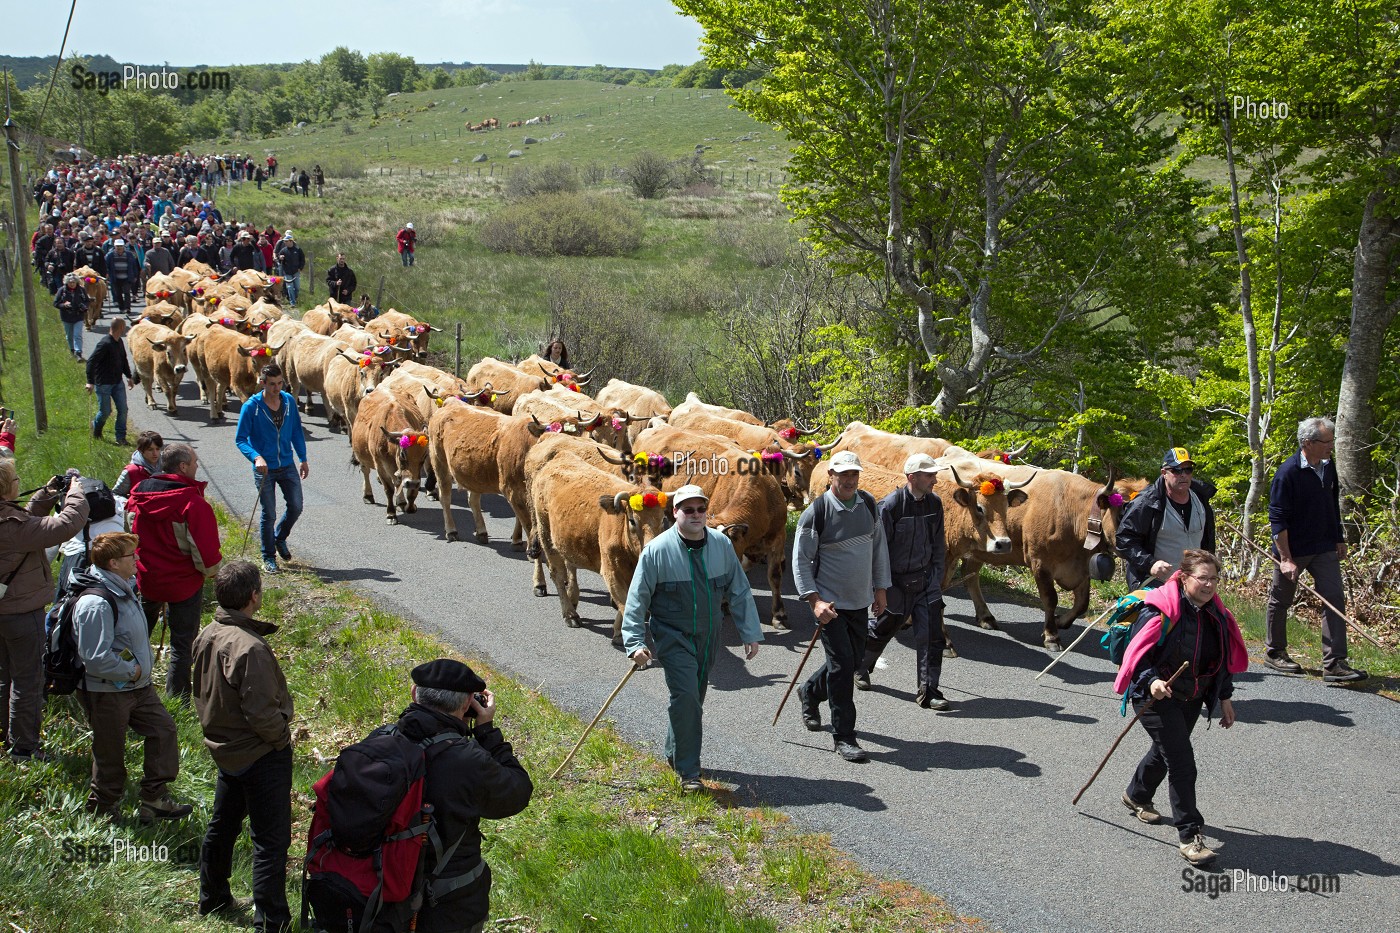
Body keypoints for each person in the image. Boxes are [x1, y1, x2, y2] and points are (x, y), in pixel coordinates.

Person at [622, 484, 763, 791]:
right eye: (688, 510)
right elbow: (637, 599)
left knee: (692, 699)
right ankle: (689, 772)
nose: (696, 515)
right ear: (675, 513)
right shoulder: (657, 551)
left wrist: (749, 632)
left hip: (709, 636)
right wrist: (634, 642)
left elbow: (738, 589)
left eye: (701, 509)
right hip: (673, 635)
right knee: (686, 697)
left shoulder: (721, 546)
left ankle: (675, 753)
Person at [1115, 550, 1247, 867]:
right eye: (1203, 578)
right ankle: (1190, 837)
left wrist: (1225, 698)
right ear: (1185, 577)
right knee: (1182, 762)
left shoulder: (1217, 614)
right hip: (1153, 696)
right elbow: (1138, 655)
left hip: (1190, 696)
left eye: (1214, 578)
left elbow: (1221, 661)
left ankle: (1137, 794)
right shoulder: (1158, 609)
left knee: (1166, 751)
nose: (1210, 584)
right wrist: (1152, 682)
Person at [387, 659, 533, 932]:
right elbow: (517, 793)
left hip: (378, 890)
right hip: (446, 905)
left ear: (413, 693)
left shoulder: (382, 740)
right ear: (468, 704)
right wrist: (486, 731)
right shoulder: (465, 761)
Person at [192, 560, 294, 931]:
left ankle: (213, 897)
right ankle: (272, 921)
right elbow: (261, 712)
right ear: (254, 596)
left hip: (224, 747)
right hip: (259, 752)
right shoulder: (249, 647)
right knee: (270, 840)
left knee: (223, 825)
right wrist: (281, 741)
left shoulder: (207, 632)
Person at [71, 531, 194, 824]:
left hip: (138, 687)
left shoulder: (123, 587)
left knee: (163, 731)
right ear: (113, 562)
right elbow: (95, 658)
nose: (137, 558)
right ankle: (103, 809)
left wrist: (138, 674)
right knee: (110, 752)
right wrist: (132, 671)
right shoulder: (96, 604)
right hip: (107, 691)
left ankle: (154, 798)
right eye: (131, 555)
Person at [793, 450, 890, 762]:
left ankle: (809, 691)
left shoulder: (869, 504)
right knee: (842, 669)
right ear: (830, 476)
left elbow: (878, 550)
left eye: (854, 474)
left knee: (851, 660)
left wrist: (880, 588)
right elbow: (801, 561)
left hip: (860, 600)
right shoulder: (817, 513)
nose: (849, 480)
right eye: (843, 474)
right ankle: (844, 737)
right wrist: (814, 600)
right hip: (830, 605)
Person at [1263, 417, 1366, 682]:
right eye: (1327, 441)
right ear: (1308, 443)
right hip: (1292, 549)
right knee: (1281, 599)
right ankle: (1275, 652)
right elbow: (1277, 519)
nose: (1331, 446)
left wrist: (1338, 538)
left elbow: (1332, 505)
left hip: (1323, 547)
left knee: (1333, 599)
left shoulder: (1328, 467)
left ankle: (1334, 664)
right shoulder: (1287, 474)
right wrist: (1285, 559)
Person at [0, 466, 89, 762]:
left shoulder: (9, 522)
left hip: (4, 610)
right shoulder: (11, 529)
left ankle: (5, 736)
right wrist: (76, 490)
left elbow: (23, 518)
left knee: (4, 675)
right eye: (16, 480)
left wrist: (49, 492)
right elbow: (66, 524)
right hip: (21, 613)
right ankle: (25, 748)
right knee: (28, 680)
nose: (18, 482)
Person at [126, 443, 223, 699]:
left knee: (137, 637)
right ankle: (177, 698)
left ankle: (130, 688)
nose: (197, 466)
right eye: (194, 462)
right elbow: (207, 555)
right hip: (183, 585)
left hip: (147, 579)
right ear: (182, 467)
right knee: (182, 644)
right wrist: (211, 573)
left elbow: (130, 535)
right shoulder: (192, 504)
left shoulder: (138, 496)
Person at [857, 453, 949, 709]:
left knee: (932, 637)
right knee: (881, 629)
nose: (935, 479)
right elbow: (877, 551)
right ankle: (860, 667)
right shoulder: (890, 505)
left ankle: (929, 692)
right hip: (895, 584)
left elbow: (938, 545)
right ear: (912, 477)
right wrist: (880, 588)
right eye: (930, 475)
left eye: (934, 474)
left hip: (925, 582)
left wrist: (937, 579)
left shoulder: (935, 504)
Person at [234, 364, 309, 574]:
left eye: (279, 383)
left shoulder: (288, 401)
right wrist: (256, 457)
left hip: (287, 464)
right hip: (264, 468)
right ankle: (268, 557)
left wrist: (302, 458)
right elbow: (240, 440)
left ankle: (280, 538)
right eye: (272, 384)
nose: (277, 388)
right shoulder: (251, 407)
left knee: (296, 506)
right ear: (262, 383)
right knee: (269, 514)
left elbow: (295, 430)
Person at [1115, 448, 1218, 591]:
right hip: (1154, 582)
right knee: (1162, 614)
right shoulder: (1147, 502)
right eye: (1176, 470)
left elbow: (1207, 542)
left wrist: (1210, 572)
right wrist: (1150, 564)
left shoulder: (1201, 499)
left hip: (1193, 584)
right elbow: (1124, 539)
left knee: (1217, 614)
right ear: (1164, 473)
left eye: (1188, 470)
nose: (1183, 475)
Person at [85, 316, 136, 445]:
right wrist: (90, 382)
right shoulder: (105, 343)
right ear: (121, 328)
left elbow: (123, 360)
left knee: (123, 409)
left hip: (117, 382)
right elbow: (91, 361)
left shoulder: (119, 342)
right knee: (106, 411)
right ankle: (96, 428)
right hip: (103, 384)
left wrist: (129, 377)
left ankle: (120, 437)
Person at [55, 273, 90, 360]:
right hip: (66, 317)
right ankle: (72, 350)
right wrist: (64, 305)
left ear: (77, 282)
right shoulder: (61, 290)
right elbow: (56, 303)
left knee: (77, 335)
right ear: (67, 282)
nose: (72, 284)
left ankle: (78, 352)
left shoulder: (81, 290)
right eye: (70, 282)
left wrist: (84, 306)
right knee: (69, 336)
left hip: (78, 316)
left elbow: (87, 301)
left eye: (74, 282)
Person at [103, 238, 139, 314]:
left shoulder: (129, 254)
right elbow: (105, 265)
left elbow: (134, 265)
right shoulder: (110, 255)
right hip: (115, 277)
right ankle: (121, 308)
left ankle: (127, 308)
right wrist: (107, 274)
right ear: (114, 246)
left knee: (127, 292)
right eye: (117, 246)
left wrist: (135, 276)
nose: (119, 248)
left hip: (127, 277)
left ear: (123, 246)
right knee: (118, 293)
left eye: (121, 246)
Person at [273, 233, 304, 306]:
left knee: (297, 287)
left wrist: (300, 268)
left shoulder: (298, 250)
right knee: (289, 287)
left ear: (291, 241)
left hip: (296, 271)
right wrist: (280, 258)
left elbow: (302, 259)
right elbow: (278, 257)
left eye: (286, 241)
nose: (284, 242)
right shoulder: (283, 250)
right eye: (284, 241)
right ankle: (292, 302)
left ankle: (295, 298)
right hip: (287, 272)